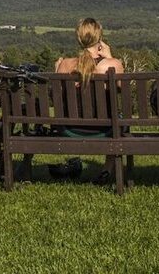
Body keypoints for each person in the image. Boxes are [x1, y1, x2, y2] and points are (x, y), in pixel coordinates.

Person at [52, 18, 124, 183]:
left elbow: (56, 96)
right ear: (99, 38)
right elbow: (120, 89)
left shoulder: (65, 64)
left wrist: (56, 69)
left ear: (78, 38)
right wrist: (111, 57)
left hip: (70, 128)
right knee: (118, 121)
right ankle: (107, 169)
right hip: (106, 129)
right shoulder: (112, 64)